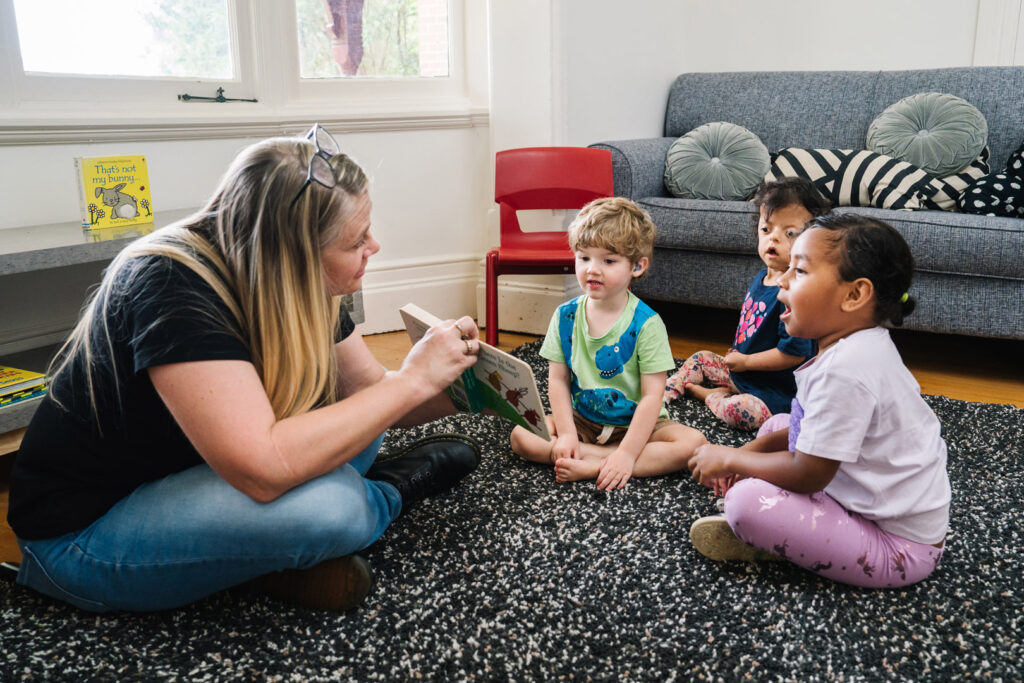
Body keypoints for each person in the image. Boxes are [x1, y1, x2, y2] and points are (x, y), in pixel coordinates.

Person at [7, 124, 484, 612]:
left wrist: (474, 386)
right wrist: (411, 380)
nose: (374, 248)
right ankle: (385, 496)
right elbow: (263, 469)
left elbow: (368, 390)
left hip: (201, 474)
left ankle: (259, 558)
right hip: (86, 534)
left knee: (364, 413)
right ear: (293, 253)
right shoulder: (169, 284)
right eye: (356, 241)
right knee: (335, 509)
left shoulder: (295, 276)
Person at [687, 213, 951, 588]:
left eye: (800, 271)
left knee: (746, 504)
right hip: (865, 495)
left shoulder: (847, 371)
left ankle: (777, 540)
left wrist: (731, 457)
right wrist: (750, 451)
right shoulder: (853, 345)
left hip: (898, 550)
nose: (780, 281)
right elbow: (801, 425)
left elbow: (809, 474)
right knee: (777, 425)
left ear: (854, 295)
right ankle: (799, 529)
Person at [509, 197, 707, 490]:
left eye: (608, 260)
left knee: (694, 444)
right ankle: (578, 455)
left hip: (638, 426)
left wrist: (627, 454)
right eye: (584, 257)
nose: (592, 269)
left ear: (637, 266)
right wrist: (565, 436)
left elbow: (653, 397)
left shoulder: (647, 324)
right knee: (519, 435)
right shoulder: (565, 316)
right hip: (582, 420)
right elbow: (558, 381)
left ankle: (598, 462)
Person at [664, 178, 828, 430]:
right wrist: (739, 358)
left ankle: (712, 397)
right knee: (700, 358)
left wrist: (747, 362)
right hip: (740, 372)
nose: (773, 239)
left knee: (744, 412)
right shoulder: (761, 278)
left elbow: (793, 354)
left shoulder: (795, 293)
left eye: (790, 233)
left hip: (772, 390)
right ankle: (666, 394)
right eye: (766, 229)